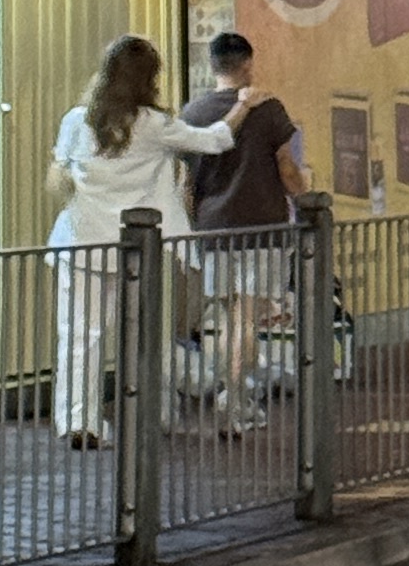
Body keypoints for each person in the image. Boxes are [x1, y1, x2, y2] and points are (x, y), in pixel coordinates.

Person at [46, 36, 259, 446]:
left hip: (81, 242)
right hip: (135, 249)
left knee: (79, 337)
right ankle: (147, 413)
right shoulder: (153, 125)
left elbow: (61, 174)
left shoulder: (76, 121)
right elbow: (214, 140)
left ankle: (78, 422)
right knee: (142, 335)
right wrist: (243, 106)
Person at [180, 30, 305, 436]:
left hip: (213, 230)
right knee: (246, 320)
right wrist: (308, 200)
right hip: (261, 228)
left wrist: (195, 225)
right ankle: (236, 403)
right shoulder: (267, 110)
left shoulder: (193, 113)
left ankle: (228, 392)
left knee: (223, 318)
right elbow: (287, 168)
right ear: (248, 63)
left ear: (213, 65)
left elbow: (186, 183)